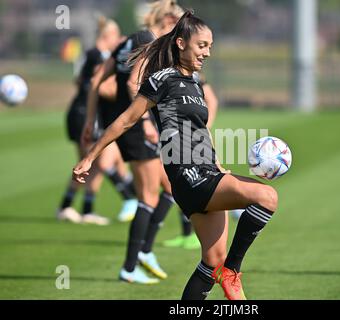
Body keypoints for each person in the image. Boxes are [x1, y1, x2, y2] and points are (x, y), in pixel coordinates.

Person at [73, 11, 279, 300]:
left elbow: (200, 131)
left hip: (207, 171)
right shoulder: (162, 80)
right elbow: (126, 120)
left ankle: (221, 275)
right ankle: (233, 271)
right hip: (187, 175)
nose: (207, 52)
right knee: (267, 197)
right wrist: (91, 156)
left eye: (210, 46)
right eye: (202, 45)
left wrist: (218, 165)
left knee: (211, 262)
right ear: (181, 43)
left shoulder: (194, 82)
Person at [81, 0, 184, 283]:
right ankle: (130, 266)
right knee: (148, 197)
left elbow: (96, 80)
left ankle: (145, 251)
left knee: (170, 188)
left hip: (130, 127)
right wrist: (148, 122)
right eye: (178, 27)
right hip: (138, 128)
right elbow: (131, 83)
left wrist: (91, 121)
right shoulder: (151, 42)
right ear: (166, 22)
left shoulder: (128, 41)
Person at [57, 16, 136, 225]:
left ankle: (68, 207)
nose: (119, 40)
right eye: (117, 36)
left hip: (78, 112)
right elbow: (100, 85)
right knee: (100, 161)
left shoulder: (91, 54)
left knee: (89, 165)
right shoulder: (99, 56)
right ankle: (128, 198)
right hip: (85, 115)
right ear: (108, 36)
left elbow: (79, 81)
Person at [162, 74, 217, 250]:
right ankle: (187, 234)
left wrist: (203, 127)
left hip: (191, 139)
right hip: (174, 137)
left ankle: (191, 233)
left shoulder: (193, 76)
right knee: (181, 183)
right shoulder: (163, 77)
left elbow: (212, 100)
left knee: (188, 182)